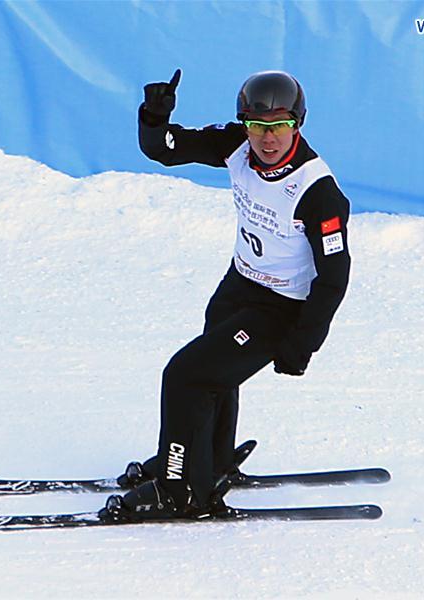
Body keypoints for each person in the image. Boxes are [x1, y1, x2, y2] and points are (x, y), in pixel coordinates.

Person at [101, 69, 352, 522]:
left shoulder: (319, 193)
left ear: (298, 124)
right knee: (212, 376)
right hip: (238, 286)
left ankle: (177, 492)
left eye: (279, 127)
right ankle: (204, 462)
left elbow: (334, 277)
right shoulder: (237, 145)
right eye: (258, 127)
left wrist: (304, 342)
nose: (268, 139)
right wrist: (154, 117)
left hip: (281, 308)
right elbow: (164, 150)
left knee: (184, 375)